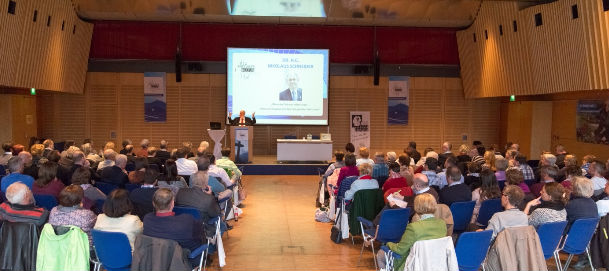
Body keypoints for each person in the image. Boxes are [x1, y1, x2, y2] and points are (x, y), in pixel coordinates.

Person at [376, 193, 447, 271]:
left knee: (380, 254)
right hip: (435, 262)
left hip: (414, 264)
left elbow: (400, 250)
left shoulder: (413, 227)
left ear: (417, 207)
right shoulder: (442, 224)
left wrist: (388, 243)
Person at [143, 188, 203, 267]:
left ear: (153, 204)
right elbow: (199, 235)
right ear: (172, 204)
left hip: (156, 261)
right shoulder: (186, 220)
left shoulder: (147, 219)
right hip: (183, 262)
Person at [175, 170, 221, 235]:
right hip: (202, 230)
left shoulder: (180, 192)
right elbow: (216, 214)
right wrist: (211, 196)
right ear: (205, 183)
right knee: (222, 225)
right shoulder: (208, 198)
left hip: (182, 227)